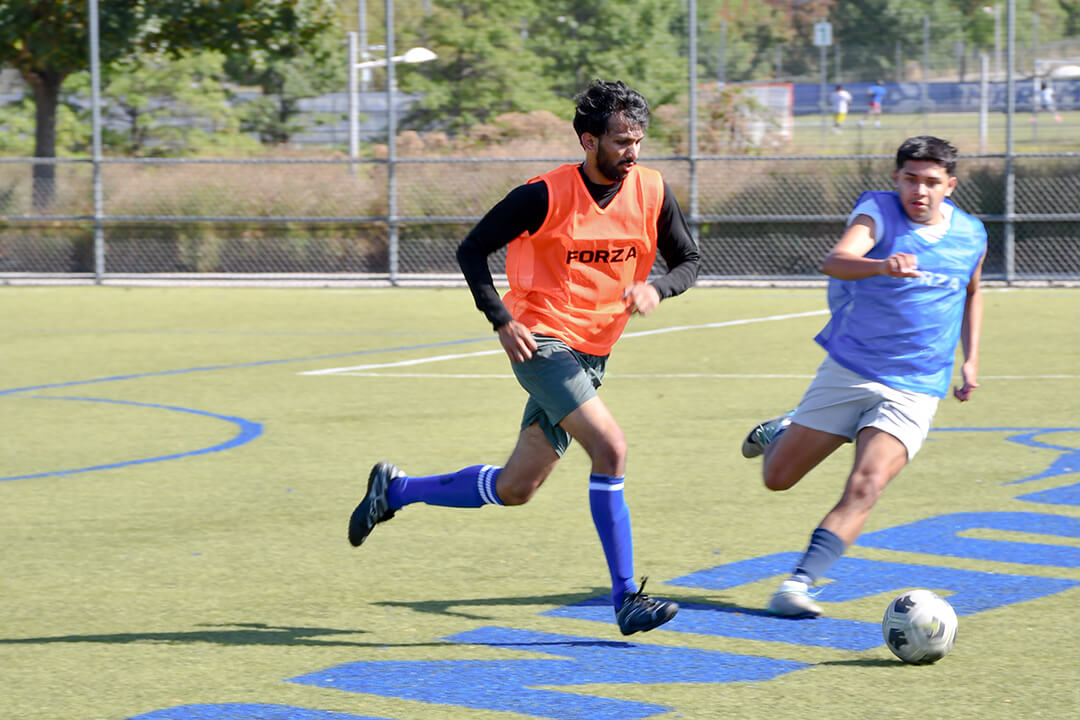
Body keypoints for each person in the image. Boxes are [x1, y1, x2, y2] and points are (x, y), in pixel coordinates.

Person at [348, 79, 701, 636]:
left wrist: (659, 288)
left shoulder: (652, 190)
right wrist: (502, 319)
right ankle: (626, 598)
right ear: (588, 141)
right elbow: (471, 249)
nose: (632, 153)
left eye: (638, 141)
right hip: (541, 342)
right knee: (611, 449)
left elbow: (689, 259)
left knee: (518, 487)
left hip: (593, 353)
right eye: (620, 142)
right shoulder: (542, 194)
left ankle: (394, 490)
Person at [740, 135, 987, 618]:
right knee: (778, 478)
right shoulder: (877, 211)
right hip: (851, 369)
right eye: (910, 179)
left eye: (932, 182)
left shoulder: (972, 234)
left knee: (867, 484)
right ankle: (784, 431)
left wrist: (971, 357)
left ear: (950, 186)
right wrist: (881, 266)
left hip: (916, 386)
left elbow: (973, 292)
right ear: (896, 179)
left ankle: (799, 584)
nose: (920, 191)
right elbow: (836, 260)